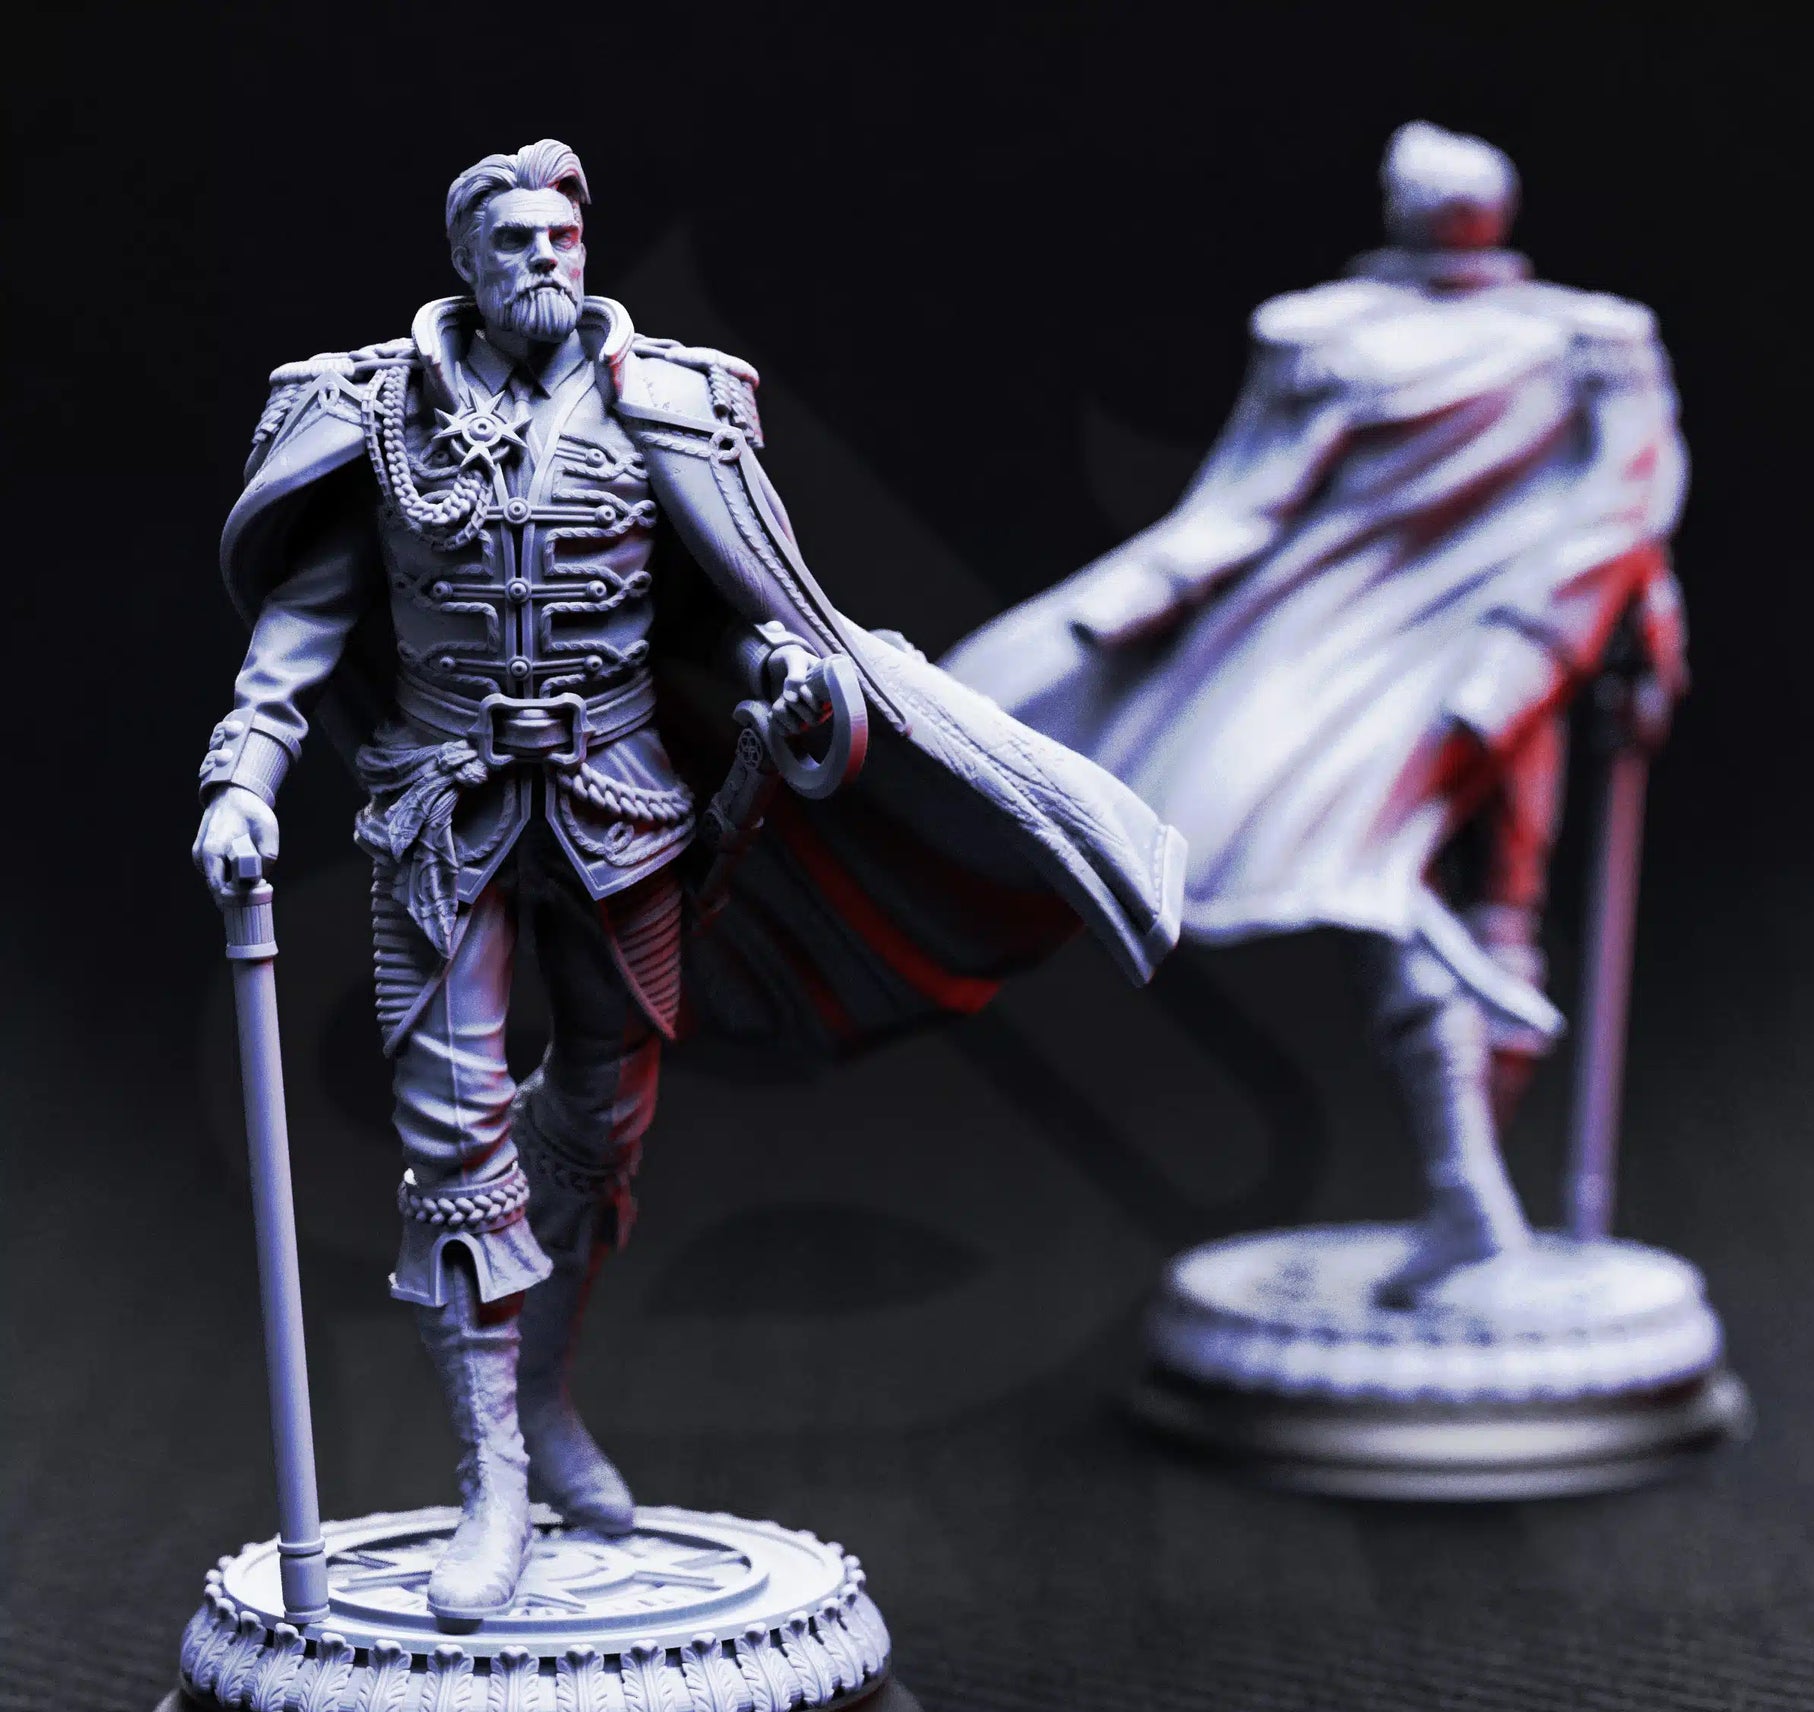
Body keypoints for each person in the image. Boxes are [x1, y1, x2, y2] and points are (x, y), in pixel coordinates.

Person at [194, 139, 1183, 1621]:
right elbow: (301, 629)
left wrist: (785, 673)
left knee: (600, 1129)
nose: (544, 259)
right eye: (514, 239)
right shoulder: (376, 412)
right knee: (457, 1145)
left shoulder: (676, 404)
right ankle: (490, 1479)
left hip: (622, 809)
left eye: (563, 236)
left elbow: (726, 608)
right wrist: (242, 779)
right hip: (441, 813)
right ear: (464, 259)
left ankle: (546, 1393)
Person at [945, 121, 1688, 1294]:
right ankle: (1469, 1190)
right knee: (1419, 897)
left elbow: (1622, 502)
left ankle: (1469, 1190)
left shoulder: (1571, 341)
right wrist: (1124, 604)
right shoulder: (1344, 335)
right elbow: (1247, 505)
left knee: (1408, 893)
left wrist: (1621, 626)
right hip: (1447, 662)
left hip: (1468, 664)